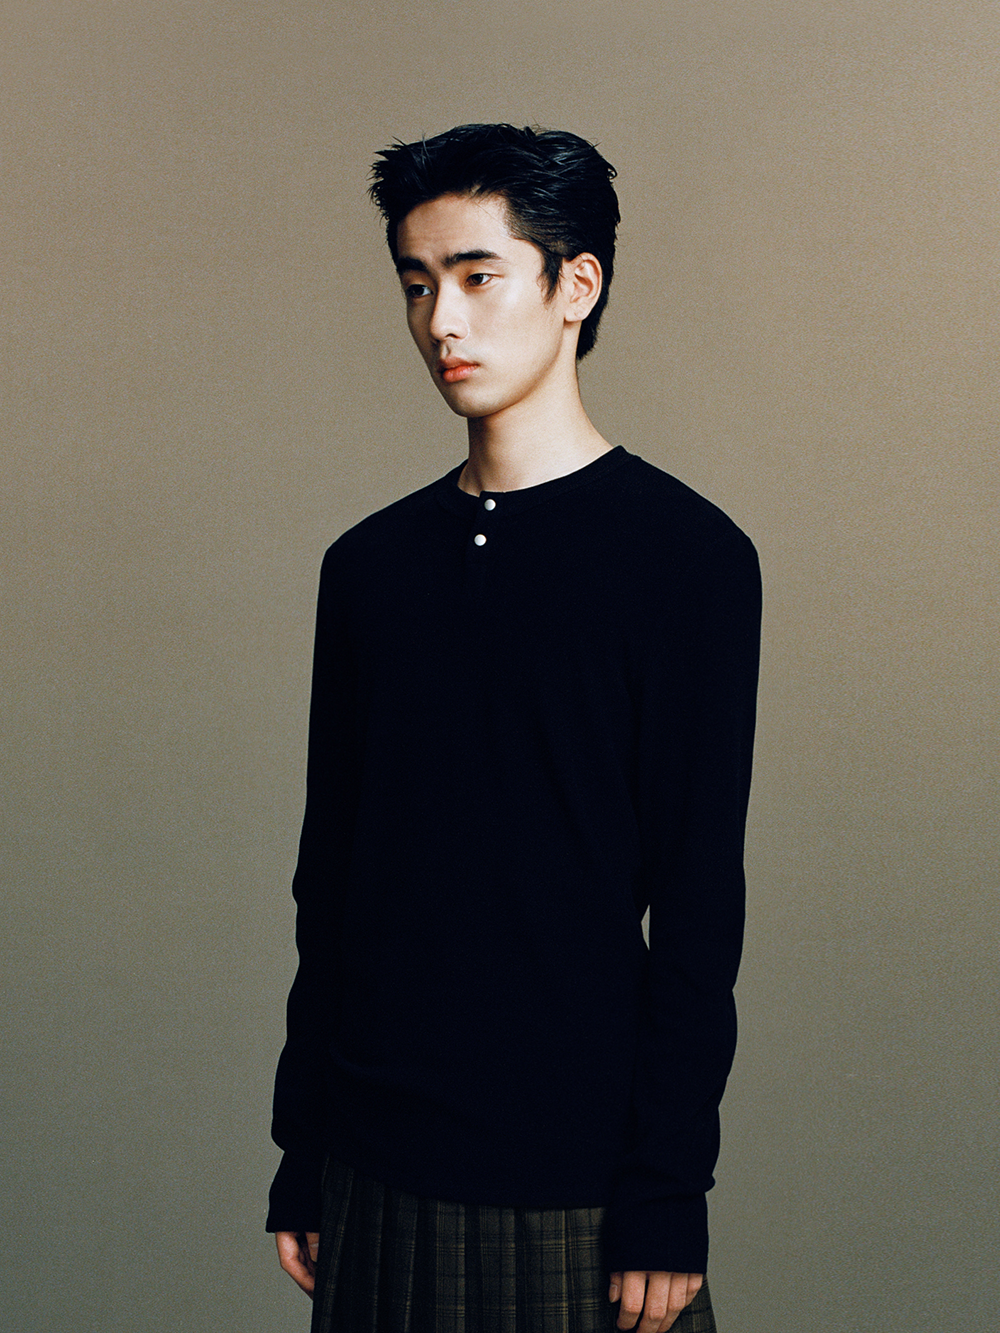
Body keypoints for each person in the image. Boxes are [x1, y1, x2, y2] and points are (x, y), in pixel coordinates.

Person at [266, 123, 761, 1333]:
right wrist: (303, 1147)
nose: (442, 320)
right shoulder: (370, 567)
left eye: (478, 276)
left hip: (578, 1175)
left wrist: (667, 1189)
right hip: (375, 1158)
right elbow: (331, 884)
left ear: (573, 285)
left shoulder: (685, 559)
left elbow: (697, 904)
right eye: (417, 283)